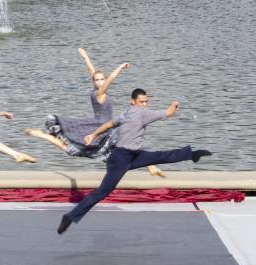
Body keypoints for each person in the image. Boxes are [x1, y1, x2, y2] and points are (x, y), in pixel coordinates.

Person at [58, 89, 212, 234]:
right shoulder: (141, 114)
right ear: (133, 101)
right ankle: (70, 217)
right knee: (102, 192)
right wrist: (174, 104)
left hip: (135, 155)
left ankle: (192, 154)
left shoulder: (126, 112)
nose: (145, 105)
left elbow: (110, 124)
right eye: (142, 102)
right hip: (120, 159)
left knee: (160, 156)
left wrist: (93, 135)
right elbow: (169, 112)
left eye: (146, 102)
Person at [23, 48, 165, 177]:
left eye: (102, 79)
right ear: (94, 82)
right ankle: (42, 135)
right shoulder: (99, 94)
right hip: (103, 128)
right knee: (74, 149)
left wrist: (86, 58)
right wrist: (120, 67)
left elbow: (93, 73)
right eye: (97, 80)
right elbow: (110, 80)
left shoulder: (98, 90)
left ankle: (151, 167)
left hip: (106, 127)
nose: (100, 82)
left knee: (75, 150)